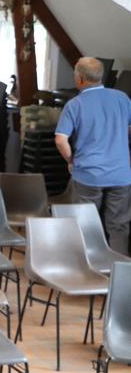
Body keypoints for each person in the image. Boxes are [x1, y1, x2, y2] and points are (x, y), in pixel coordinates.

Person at [55, 57, 131, 255]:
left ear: (80, 78)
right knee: (119, 226)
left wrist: (71, 160)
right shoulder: (122, 98)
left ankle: (87, 268)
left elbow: (60, 140)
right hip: (121, 174)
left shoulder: (75, 104)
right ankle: (118, 276)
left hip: (89, 173)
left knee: (85, 223)